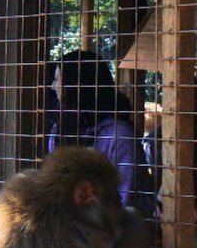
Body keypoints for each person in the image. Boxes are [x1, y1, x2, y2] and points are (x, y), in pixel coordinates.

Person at [49, 50, 149, 211]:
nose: (53, 87)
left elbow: (128, 199)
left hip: (109, 228)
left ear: (75, 85)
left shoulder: (119, 135)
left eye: (57, 80)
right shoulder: (59, 129)